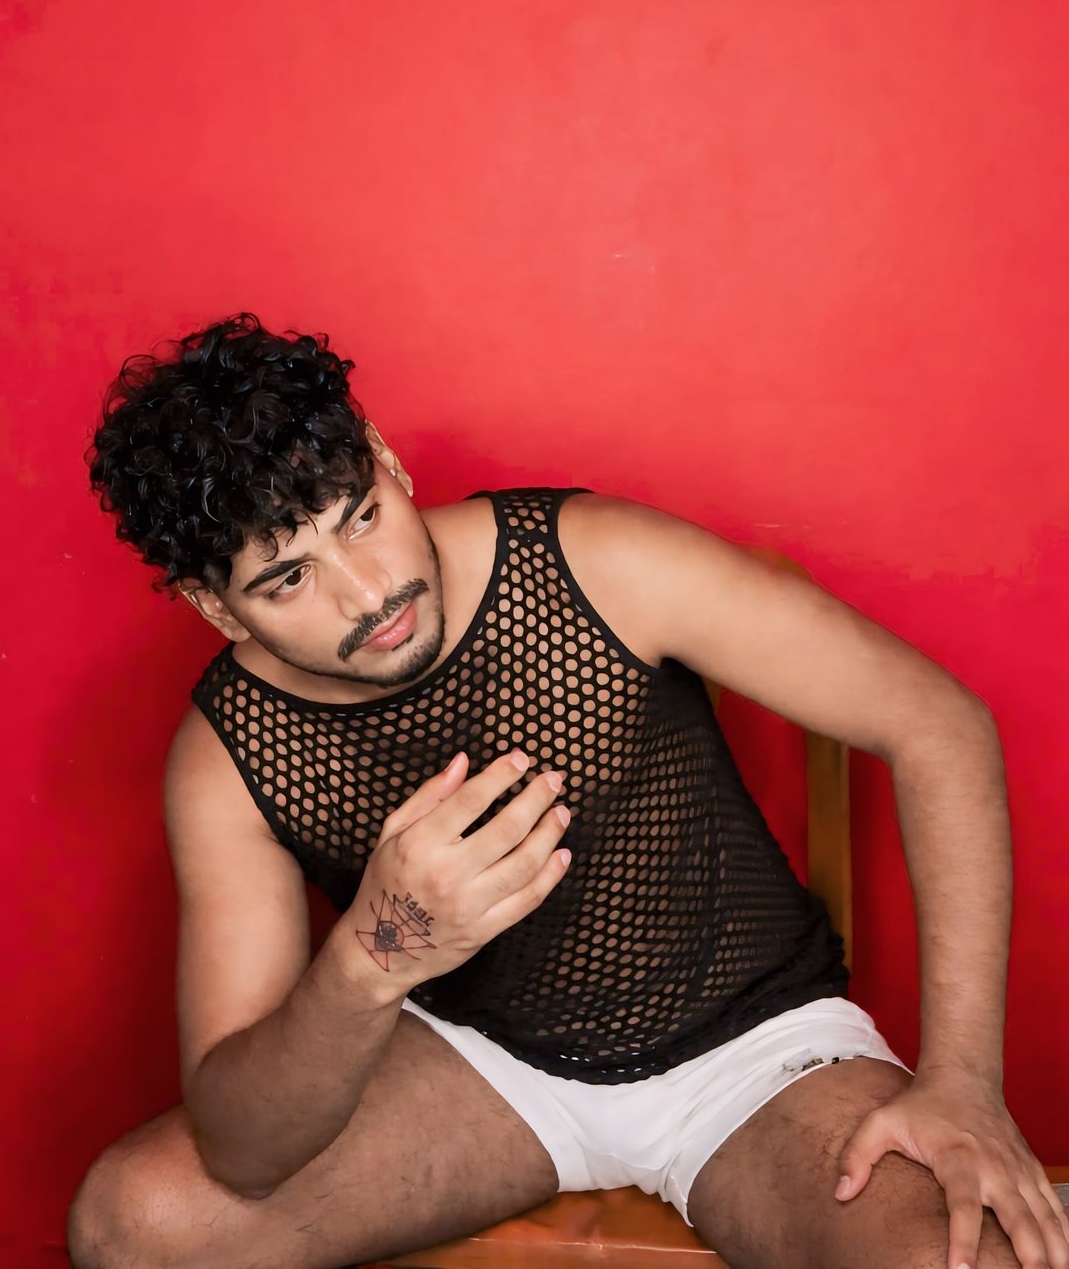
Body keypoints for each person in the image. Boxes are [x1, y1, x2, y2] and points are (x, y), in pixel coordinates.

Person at [69, 314, 1065, 1269]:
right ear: (214, 608)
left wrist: (965, 1082)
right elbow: (243, 1150)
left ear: (386, 459)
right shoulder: (229, 753)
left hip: (754, 1050)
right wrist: (375, 952)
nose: (368, 593)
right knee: (133, 1226)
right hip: (479, 1067)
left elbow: (939, 724)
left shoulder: (595, 560)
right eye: (289, 579)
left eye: (362, 518)